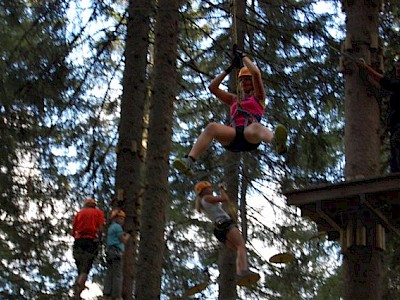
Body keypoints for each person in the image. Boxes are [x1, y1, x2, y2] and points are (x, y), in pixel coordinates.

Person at [174, 50, 288, 175]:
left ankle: (276, 142)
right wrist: (230, 68)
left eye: (248, 79)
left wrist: (243, 57)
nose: (245, 82)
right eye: (242, 80)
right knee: (211, 127)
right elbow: (213, 87)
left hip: (249, 134)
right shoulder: (234, 99)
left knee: (256, 126)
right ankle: (189, 162)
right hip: (232, 135)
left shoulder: (258, 98)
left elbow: (256, 73)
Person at [194, 181, 260, 286]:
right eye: (209, 188)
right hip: (225, 224)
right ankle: (243, 270)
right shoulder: (206, 198)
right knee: (241, 246)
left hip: (219, 229)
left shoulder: (203, 202)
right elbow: (224, 199)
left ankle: (240, 272)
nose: (211, 190)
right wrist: (222, 189)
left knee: (239, 249)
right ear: (204, 191)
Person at [357, 57, 400, 173]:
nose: (397, 69)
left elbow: (386, 83)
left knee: (397, 143)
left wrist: (366, 68)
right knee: (395, 154)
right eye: (396, 66)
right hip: (395, 127)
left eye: (399, 67)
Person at [71, 198, 105, 299]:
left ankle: (77, 290)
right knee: (85, 269)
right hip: (90, 240)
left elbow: (73, 230)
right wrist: (99, 239)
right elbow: (100, 228)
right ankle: (78, 292)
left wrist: (77, 237)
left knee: (80, 268)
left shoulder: (79, 213)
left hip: (78, 241)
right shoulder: (98, 213)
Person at [103, 209, 130, 300]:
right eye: (121, 218)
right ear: (115, 218)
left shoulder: (111, 227)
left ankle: (106, 294)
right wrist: (128, 235)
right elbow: (123, 239)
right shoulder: (117, 227)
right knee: (117, 275)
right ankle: (117, 296)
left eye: (123, 218)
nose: (122, 221)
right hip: (116, 252)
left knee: (110, 274)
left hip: (110, 252)